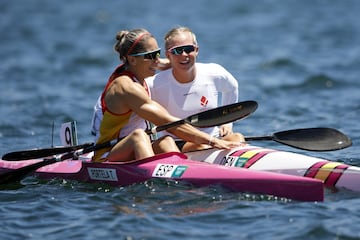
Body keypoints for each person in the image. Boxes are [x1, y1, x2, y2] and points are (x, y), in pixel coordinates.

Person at [92, 28, 240, 162]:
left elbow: (172, 62)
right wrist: (212, 141)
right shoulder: (126, 87)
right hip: (108, 154)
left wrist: (178, 56)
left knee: (166, 141)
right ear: (132, 60)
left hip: (133, 148)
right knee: (139, 136)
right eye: (151, 56)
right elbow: (169, 123)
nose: (157, 61)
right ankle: (153, 182)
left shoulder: (140, 67)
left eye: (157, 53)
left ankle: (183, 173)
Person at [146, 26, 245, 152]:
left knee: (237, 137)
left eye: (188, 49)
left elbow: (232, 87)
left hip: (214, 138)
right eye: (177, 51)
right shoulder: (154, 84)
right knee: (201, 147)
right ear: (167, 55)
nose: (184, 55)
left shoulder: (214, 72)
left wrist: (227, 122)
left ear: (197, 50)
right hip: (177, 143)